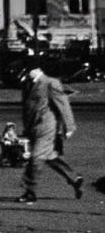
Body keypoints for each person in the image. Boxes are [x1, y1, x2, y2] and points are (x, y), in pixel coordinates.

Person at [18, 63, 84, 203]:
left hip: (47, 126)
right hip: (34, 128)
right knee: (49, 157)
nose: (28, 73)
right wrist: (27, 128)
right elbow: (27, 108)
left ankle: (30, 191)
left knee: (35, 157)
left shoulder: (50, 83)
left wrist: (69, 126)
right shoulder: (28, 85)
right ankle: (74, 178)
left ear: (38, 70)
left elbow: (63, 104)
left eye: (30, 70)